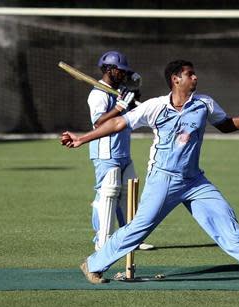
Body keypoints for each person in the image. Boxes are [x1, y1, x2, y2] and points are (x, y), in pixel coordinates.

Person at [61, 59, 239, 284]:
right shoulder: (155, 106)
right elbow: (118, 123)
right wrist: (82, 138)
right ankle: (93, 265)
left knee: (222, 214)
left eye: (194, 74)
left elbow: (226, 125)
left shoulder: (204, 103)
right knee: (139, 229)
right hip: (163, 179)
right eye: (190, 74)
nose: (195, 77)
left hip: (194, 180)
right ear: (175, 79)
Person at [86, 50, 153, 251]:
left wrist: (132, 96)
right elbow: (98, 123)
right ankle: (102, 241)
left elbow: (130, 114)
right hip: (106, 152)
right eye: (120, 71)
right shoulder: (98, 93)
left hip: (123, 151)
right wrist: (118, 108)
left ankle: (130, 238)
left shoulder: (121, 90)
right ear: (109, 69)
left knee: (129, 194)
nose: (123, 74)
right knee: (108, 194)